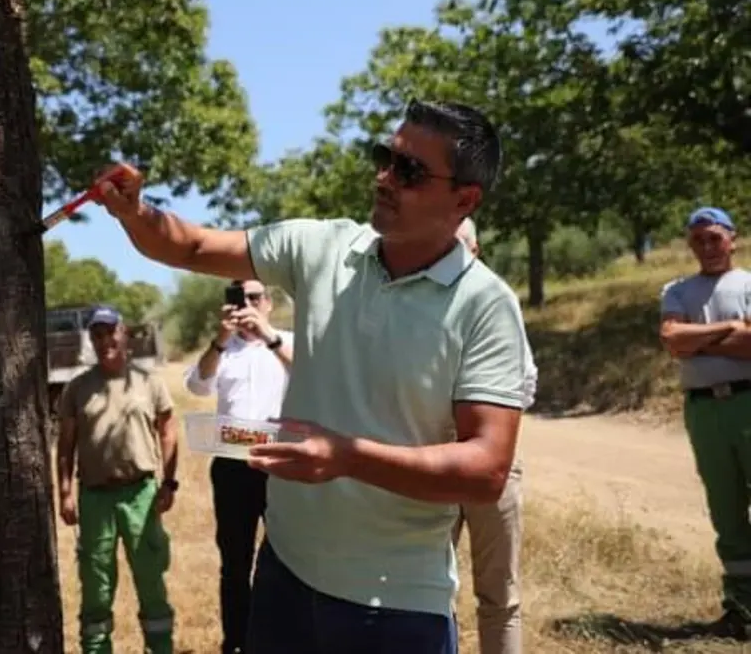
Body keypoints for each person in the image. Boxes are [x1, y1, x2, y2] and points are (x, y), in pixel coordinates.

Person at [96, 99, 529, 654]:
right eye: (385, 158)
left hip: (394, 604)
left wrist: (346, 455)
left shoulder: (486, 305)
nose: (385, 178)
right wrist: (135, 212)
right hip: (284, 573)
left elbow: (486, 469)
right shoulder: (323, 246)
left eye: (410, 171)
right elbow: (194, 244)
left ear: (465, 199)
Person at [57, 306, 178, 654]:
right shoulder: (77, 388)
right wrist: (65, 493)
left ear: (123, 334)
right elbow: (65, 446)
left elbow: (168, 431)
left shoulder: (148, 381)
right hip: (95, 498)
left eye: (110, 332)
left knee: (151, 581)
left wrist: (169, 483)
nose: (104, 340)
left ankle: (160, 648)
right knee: (96, 585)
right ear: (91, 340)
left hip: (141, 493)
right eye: (97, 334)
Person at [183, 278, 293, 654]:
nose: (247, 304)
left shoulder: (287, 341)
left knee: (287, 557)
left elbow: (310, 374)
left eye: (254, 297)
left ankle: (282, 638)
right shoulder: (224, 349)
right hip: (231, 466)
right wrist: (219, 338)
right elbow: (198, 387)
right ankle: (237, 641)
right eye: (239, 298)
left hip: (279, 464)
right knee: (234, 561)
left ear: (268, 303)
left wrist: (270, 339)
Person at [659, 206, 751, 639]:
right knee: (726, 509)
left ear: (732, 238)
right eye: (699, 240)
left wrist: (700, 338)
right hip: (704, 410)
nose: (708, 247)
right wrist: (732, 328)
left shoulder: (748, 283)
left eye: (715, 238)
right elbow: (673, 342)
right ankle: (741, 611)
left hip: (746, 402)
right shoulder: (676, 290)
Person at [451, 216, 537, 654]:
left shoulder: (496, 298)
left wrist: (487, 428)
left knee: (500, 594)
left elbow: (526, 382)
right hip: (434, 464)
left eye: (459, 244)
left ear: (477, 248)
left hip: (493, 466)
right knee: (426, 589)